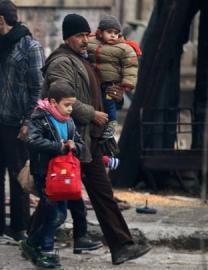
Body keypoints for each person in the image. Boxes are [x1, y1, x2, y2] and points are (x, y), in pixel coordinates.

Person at [41, 13, 151, 265]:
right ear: (68, 38)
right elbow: (59, 97)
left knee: (101, 193)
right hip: (71, 138)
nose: (84, 39)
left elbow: (100, 90)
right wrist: (92, 114)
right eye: (79, 35)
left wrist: (116, 95)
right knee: (57, 192)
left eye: (86, 34)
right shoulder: (61, 62)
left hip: (89, 138)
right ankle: (35, 239)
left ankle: (122, 246)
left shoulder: (86, 59)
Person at [0, 0, 44, 241]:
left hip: (17, 124)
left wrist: (29, 122)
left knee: (19, 177)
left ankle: (20, 228)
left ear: (1, 19)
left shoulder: (29, 46)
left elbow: (38, 88)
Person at [21, 81, 83, 270]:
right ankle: (47, 252)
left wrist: (76, 146)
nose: (70, 109)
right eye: (67, 105)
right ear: (54, 102)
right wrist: (59, 147)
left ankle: (31, 244)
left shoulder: (69, 121)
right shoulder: (40, 117)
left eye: (72, 105)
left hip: (63, 175)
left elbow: (79, 142)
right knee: (54, 213)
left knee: (60, 214)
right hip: (44, 173)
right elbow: (32, 140)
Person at [87, 15, 138, 139]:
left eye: (116, 33)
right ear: (100, 32)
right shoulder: (91, 42)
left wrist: (128, 82)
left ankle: (112, 124)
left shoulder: (123, 47)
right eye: (109, 32)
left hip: (112, 83)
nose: (113, 35)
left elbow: (130, 65)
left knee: (110, 103)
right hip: (96, 83)